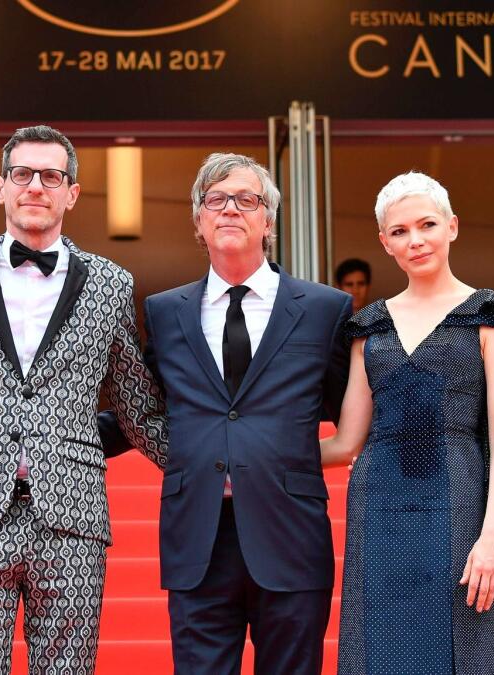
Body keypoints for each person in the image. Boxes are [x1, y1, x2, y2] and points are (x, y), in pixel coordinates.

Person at [0, 124, 167, 674]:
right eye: (22, 174)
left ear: (72, 192)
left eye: (51, 175)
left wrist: (213, 470)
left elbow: (138, 403)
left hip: (73, 514)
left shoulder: (111, 283)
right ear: (1, 188)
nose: (35, 186)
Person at [135, 153, 350, 674]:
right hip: (197, 538)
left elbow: (353, 411)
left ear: (268, 220)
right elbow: (139, 409)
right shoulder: (165, 313)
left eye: (246, 199)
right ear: (198, 220)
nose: (230, 209)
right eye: (216, 199)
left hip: (290, 533)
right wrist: (59, 433)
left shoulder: (325, 310)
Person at [321, 171, 494, 674]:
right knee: (379, 651)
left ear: (452, 227)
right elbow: (348, 441)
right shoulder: (367, 326)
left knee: (459, 647)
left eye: (427, 225)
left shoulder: (489, 316)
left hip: (460, 505)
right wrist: (262, 456)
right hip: (378, 509)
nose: (415, 240)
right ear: (384, 242)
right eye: (399, 232)